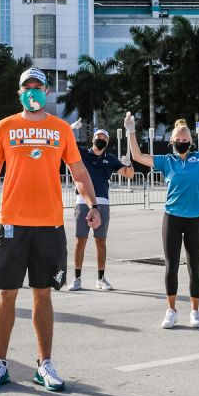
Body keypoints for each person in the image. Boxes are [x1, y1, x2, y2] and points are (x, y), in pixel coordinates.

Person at [0, 68, 101, 393]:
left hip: (49, 225)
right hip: (13, 223)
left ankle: (44, 364)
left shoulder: (60, 130)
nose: (33, 91)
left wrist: (92, 204)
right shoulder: (5, 126)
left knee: (43, 294)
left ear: (47, 91)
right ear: (19, 93)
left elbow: (79, 172)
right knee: (6, 294)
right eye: (27, 87)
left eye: (38, 86)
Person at [126, 108, 199, 330]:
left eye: (185, 139)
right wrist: (130, 131)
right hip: (172, 219)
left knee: (194, 268)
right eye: (178, 139)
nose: (182, 142)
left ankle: (195, 312)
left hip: (196, 219)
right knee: (171, 267)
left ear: (191, 141)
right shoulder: (167, 161)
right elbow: (138, 157)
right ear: (172, 142)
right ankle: (171, 310)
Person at [67, 123, 133, 292]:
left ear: (108, 142)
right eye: (99, 137)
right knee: (80, 240)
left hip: (102, 202)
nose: (101, 140)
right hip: (82, 201)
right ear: (93, 138)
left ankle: (100, 279)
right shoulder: (82, 153)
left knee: (100, 241)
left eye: (104, 138)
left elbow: (129, 174)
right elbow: (65, 144)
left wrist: (129, 163)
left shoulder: (110, 159)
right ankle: (76, 278)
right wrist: (70, 129)